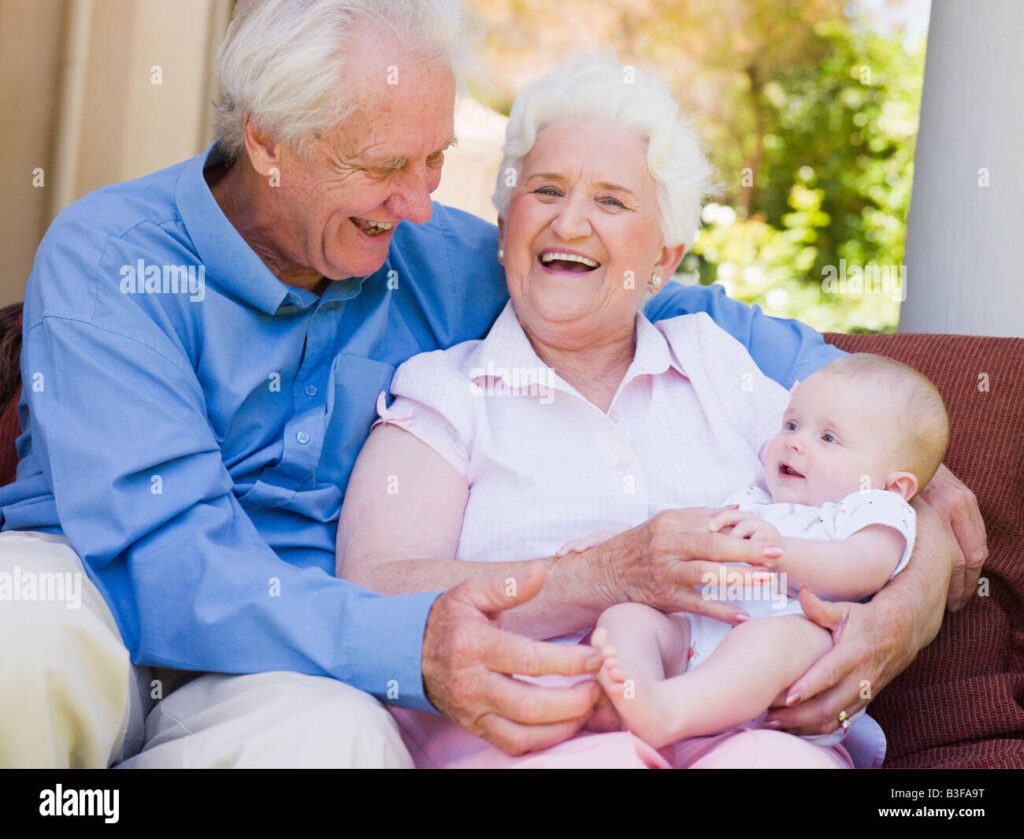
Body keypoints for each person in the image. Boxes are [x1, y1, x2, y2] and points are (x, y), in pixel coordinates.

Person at [0, 1, 980, 768]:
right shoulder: (112, 259)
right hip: (104, 599)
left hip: (293, 657)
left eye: (435, 161)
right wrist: (418, 636)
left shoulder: (420, 246)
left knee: (331, 740)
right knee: (18, 636)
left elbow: (673, 306)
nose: (422, 203)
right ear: (268, 142)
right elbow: (169, 567)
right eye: (387, 166)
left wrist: (920, 512)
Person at [336, 54, 980, 768]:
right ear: (505, 219)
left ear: (666, 257)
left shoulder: (714, 360)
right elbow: (372, 593)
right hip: (534, 734)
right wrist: (601, 576)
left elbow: (868, 473)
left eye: (611, 201)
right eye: (545, 189)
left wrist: (904, 598)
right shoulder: (445, 393)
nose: (570, 221)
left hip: (746, 729)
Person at [579, 353, 949, 750]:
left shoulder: (874, 509)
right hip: (699, 637)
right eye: (791, 424)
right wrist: (616, 544)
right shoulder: (756, 498)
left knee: (776, 640)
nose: (794, 440)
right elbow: (683, 538)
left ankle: (669, 712)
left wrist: (779, 551)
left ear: (893, 486)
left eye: (827, 438)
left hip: (790, 654)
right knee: (629, 617)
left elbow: (862, 568)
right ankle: (631, 694)